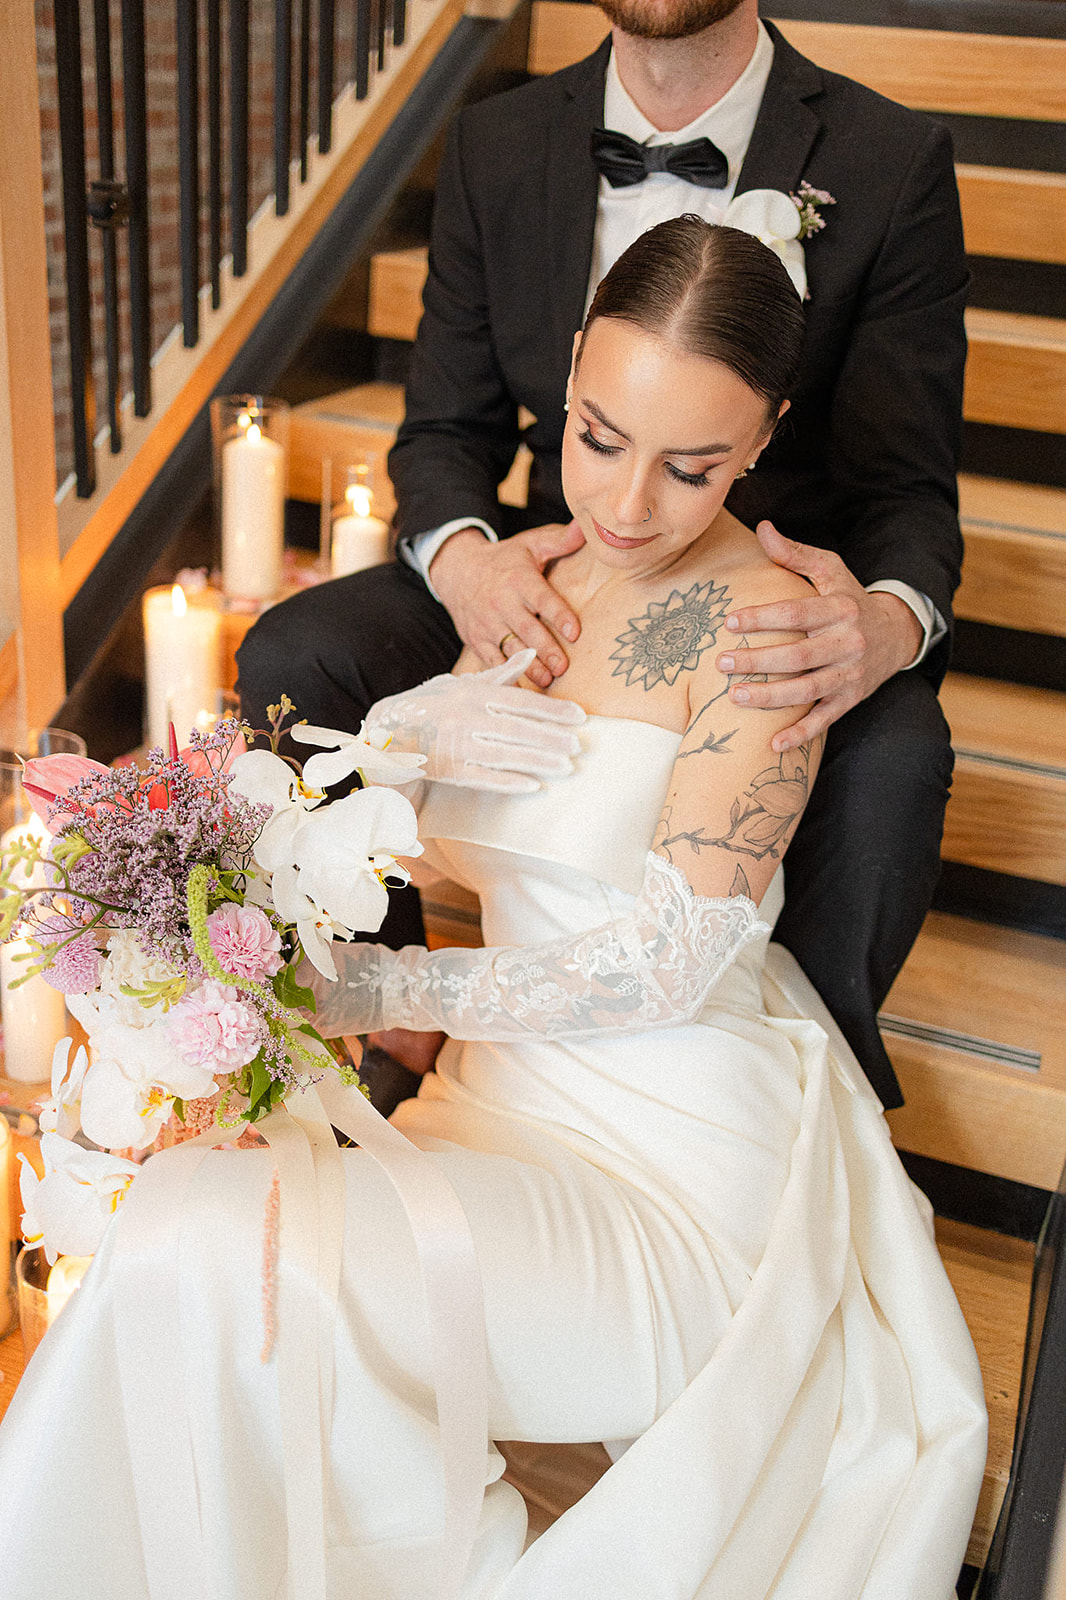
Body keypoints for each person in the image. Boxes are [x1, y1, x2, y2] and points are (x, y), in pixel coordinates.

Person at [0, 220, 985, 1600]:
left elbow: (661, 968)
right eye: (598, 436)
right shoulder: (539, 586)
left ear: (761, 436)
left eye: (690, 465)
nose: (630, 503)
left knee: (248, 1257)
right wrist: (401, 740)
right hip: (492, 1100)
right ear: (570, 372)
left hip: (671, 1163)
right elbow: (454, 871)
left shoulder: (765, 633)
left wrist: (368, 992)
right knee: (180, 1224)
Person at [237, 0, 968, 1110]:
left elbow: (906, 485)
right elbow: (443, 433)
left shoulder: (889, 158)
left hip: (769, 601)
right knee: (299, 650)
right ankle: (401, 1029)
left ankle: (815, 1094)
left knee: (896, 758)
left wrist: (882, 622)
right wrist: (471, 566)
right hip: (551, 562)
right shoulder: (498, 136)